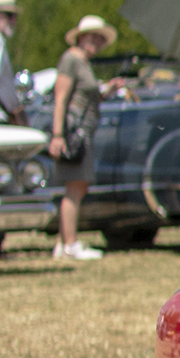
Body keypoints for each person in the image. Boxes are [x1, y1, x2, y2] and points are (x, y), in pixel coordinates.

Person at [49, 15, 129, 261]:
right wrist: (57, 135)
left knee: (77, 185)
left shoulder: (83, 62)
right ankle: (70, 244)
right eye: (92, 36)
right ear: (81, 37)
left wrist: (109, 90)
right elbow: (61, 97)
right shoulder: (71, 60)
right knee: (75, 185)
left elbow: (90, 99)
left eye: (99, 38)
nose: (95, 41)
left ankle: (63, 244)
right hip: (74, 132)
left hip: (83, 130)